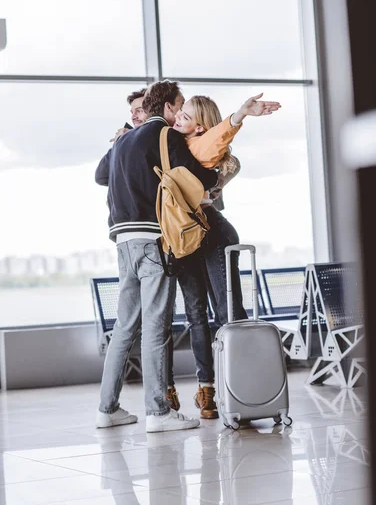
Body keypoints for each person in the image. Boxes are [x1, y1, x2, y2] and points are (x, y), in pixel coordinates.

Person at [141, 82, 281, 418]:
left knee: (228, 313)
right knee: (196, 317)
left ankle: (248, 388)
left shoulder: (199, 145)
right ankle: (211, 391)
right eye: (180, 112)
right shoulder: (175, 145)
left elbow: (219, 137)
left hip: (214, 236)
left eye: (185, 115)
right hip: (189, 240)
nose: (177, 119)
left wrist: (240, 114)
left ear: (200, 125)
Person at [94, 80, 218, 432]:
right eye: (178, 106)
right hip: (152, 238)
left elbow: (100, 176)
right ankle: (158, 412)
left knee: (125, 326)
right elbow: (199, 176)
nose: (180, 112)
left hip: (122, 239)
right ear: (165, 108)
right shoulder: (166, 136)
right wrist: (217, 171)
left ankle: (107, 409)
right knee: (155, 326)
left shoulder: (122, 140)